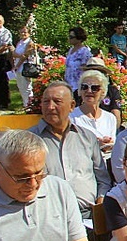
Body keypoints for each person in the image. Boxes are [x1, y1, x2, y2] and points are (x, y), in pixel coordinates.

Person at [29, 81, 112, 219]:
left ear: (72, 106)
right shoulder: (30, 140)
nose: (50, 107)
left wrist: (100, 203)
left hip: (88, 216)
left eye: (57, 101)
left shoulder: (87, 137)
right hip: (49, 217)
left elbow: (103, 179)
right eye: (45, 102)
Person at [70, 70, 118, 159]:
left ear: (103, 92)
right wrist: (96, 145)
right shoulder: (71, 117)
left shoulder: (110, 118)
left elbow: (113, 145)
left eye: (94, 88)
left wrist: (108, 144)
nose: (89, 91)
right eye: (84, 87)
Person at [83, 57, 123, 130]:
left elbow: (116, 114)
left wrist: (112, 133)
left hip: (106, 127)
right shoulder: (81, 91)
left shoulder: (112, 91)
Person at [65, 27, 93, 96]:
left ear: (79, 38)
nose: (69, 39)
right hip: (68, 85)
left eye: (71, 37)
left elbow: (86, 69)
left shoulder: (84, 52)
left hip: (78, 87)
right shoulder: (71, 50)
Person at [12, 25, 35, 108]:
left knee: (27, 86)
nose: (23, 33)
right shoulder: (20, 42)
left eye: (25, 32)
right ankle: (25, 103)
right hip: (18, 65)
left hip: (25, 66)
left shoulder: (30, 43)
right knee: (20, 86)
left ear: (29, 33)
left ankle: (30, 105)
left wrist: (17, 66)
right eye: (21, 32)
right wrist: (18, 56)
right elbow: (14, 53)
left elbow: (25, 56)